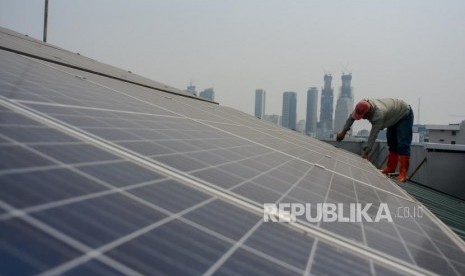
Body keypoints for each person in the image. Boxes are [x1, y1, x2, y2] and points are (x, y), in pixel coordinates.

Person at [336, 98, 414, 182]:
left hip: (404, 114)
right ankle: (390, 168)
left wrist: (366, 153)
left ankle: (403, 174)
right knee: (392, 143)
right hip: (393, 115)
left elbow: (373, 136)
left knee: (403, 144)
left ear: (368, 112)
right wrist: (343, 132)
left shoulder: (378, 115)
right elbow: (351, 118)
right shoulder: (362, 106)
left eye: (364, 116)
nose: (363, 118)